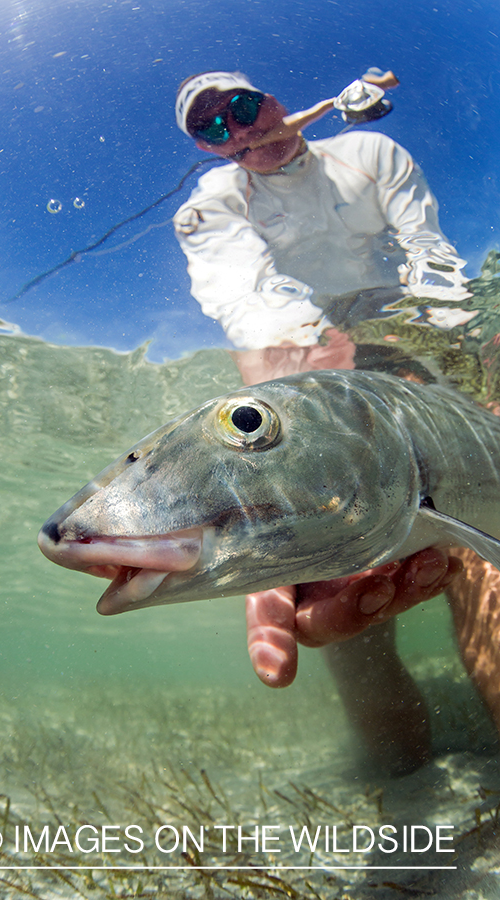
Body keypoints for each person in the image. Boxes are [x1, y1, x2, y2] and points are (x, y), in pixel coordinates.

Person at [173, 70, 478, 774]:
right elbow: (247, 301)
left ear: (275, 101)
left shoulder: (372, 154)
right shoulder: (210, 206)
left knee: (478, 549)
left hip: (400, 332)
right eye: (215, 129)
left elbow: (432, 262)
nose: (241, 131)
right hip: (307, 364)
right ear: (209, 148)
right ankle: (398, 779)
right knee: (342, 601)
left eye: (245, 109)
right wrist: (297, 444)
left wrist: (462, 368)